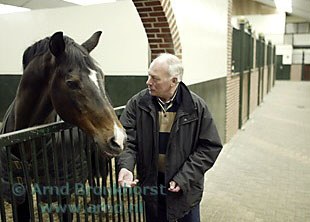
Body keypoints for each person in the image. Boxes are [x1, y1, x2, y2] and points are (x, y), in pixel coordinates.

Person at [117, 53, 222, 222]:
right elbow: (128, 140)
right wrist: (126, 167)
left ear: (174, 81)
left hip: (184, 189)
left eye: (155, 78)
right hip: (152, 185)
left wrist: (183, 178)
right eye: (148, 76)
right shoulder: (137, 104)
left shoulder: (196, 107)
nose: (148, 82)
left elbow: (210, 147)